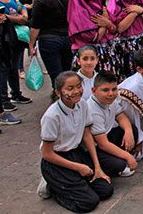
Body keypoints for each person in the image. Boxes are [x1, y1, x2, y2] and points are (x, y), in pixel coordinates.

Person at [38, 71, 113, 212]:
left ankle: (73, 184)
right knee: (88, 203)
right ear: (58, 92)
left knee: (106, 190)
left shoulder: (83, 105)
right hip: (56, 161)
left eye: (79, 86)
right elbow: (47, 154)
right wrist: (78, 167)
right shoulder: (52, 116)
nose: (76, 91)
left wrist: (98, 167)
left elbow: (87, 135)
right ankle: (52, 186)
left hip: (76, 153)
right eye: (70, 88)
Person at [29, 0, 73, 96]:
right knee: (66, 71)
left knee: (55, 74)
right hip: (67, 38)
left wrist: (31, 44)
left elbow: (35, 26)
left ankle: (60, 97)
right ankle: (66, 96)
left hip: (48, 40)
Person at [87, 71, 138, 178]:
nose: (111, 94)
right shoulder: (92, 110)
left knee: (132, 130)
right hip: (94, 148)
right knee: (118, 165)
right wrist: (127, 156)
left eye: (114, 89)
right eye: (105, 90)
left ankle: (122, 160)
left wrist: (128, 132)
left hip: (107, 136)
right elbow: (103, 144)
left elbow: (121, 117)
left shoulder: (110, 100)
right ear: (94, 91)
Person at [0, 0, 31, 108]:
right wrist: (17, 18)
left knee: (13, 65)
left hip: (16, 36)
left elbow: (20, 7)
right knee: (3, 67)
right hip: (1, 37)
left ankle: (16, 93)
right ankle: (4, 100)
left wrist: (22, 16)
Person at [67, 0, 115, 73]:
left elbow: (114, 30)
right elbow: (93, 38)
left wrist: (107, 23)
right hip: (89, 60)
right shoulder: (78, 12)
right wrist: (105, 23)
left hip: (105, 55)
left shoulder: (99, 7)